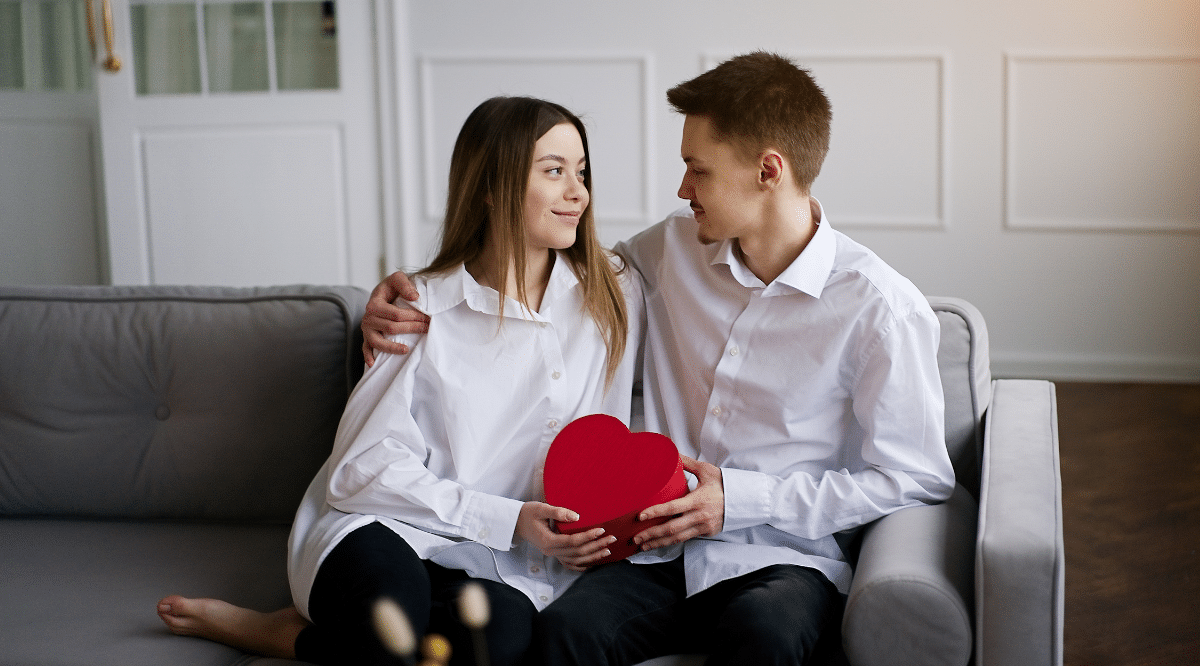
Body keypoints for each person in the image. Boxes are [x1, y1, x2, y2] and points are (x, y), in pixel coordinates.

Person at [362, 52, 956, 665]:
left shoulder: (880, 308)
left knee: (765, 635)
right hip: (650, 553)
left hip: (778, 557)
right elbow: (548, 266)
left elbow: (917, 476)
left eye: (696, 169)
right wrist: (408, 290)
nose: (681, 188)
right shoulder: (667, 250)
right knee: (562, 636)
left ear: (768, 170)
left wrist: (743, 500)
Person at [157, 95, 645, 666]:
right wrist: (510, 518)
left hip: (490, 555)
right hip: (386, 520)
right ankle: (292, 626)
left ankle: (289, 637)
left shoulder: (614, 291)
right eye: (554, 171)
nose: (578, 193)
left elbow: (703, 241)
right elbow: (361, 470)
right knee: (392, 627)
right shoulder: (422, 307)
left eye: (581, 172)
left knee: (504, 640)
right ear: (490, 186)